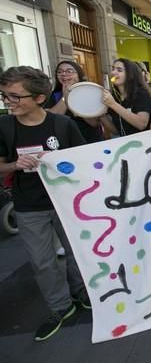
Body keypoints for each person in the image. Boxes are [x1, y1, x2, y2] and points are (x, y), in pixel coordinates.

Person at [0, 66, 90, 342]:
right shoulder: (4, 126)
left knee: (78, 253)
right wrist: (16, 164)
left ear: (39, 98)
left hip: (66, 203)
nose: (9, 102)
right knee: (42, 262)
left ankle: (82, 293)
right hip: (29, 207)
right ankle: (60, 307)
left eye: (16, 97)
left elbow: (84, 161)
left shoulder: (63, 125)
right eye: (5, 95)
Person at [45, 60, 102, 143]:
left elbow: (94, 123)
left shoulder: (89, 92)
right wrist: (65, 97)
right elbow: (51, 121)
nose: (64, 74)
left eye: (69, 71)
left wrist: (75, 99)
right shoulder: (53, 95)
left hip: (89, 140)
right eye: (60, 72)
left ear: (78, 75)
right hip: (65, 141)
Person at [100, 58, 151, 137]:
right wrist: (100, 115)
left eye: (119, 70)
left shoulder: (141, 94)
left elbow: (142, 124)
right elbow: (117, 130)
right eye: (113, 69)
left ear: (130, 74)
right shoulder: (115, 97)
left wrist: (113, 104)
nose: (113, 72)